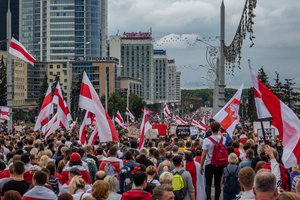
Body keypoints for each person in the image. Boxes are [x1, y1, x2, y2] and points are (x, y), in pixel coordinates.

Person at [200, 121, 226, 200]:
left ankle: (208, 198)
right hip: (220, 163)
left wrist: (201, 166)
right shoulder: (223, 139)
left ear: (210, 129)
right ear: (219, 129)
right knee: (218, 184)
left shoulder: (207, 140)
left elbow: (203, 155)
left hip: (209, 163)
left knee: (208, 183)